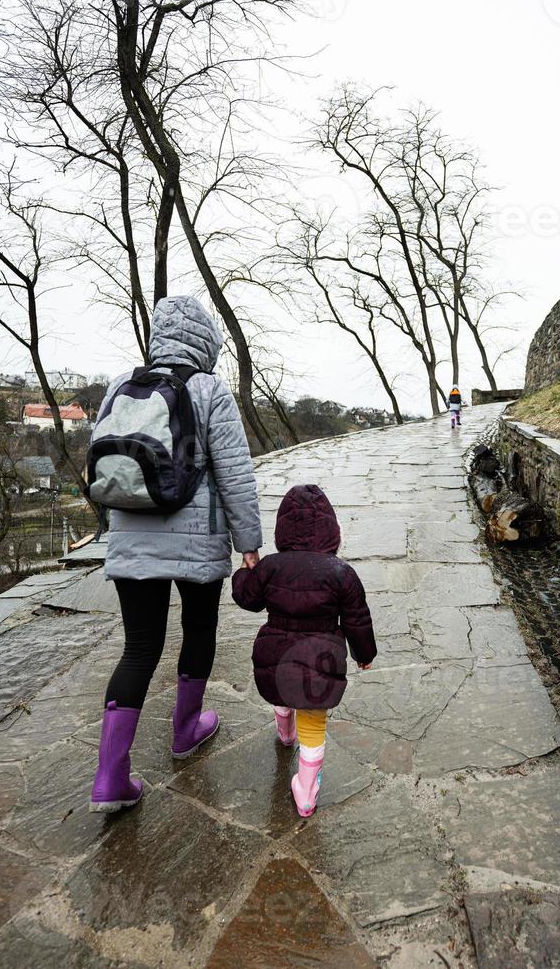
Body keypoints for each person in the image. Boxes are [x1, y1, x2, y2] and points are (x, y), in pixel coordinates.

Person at [89, 296, 262, 814]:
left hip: (132, 535)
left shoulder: (121, 384)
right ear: (206, 340)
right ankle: (186, 730)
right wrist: (248, 542)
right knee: (199, 631)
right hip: (197, 541)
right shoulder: (209, 389)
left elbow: (105, 463)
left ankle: (109, 779)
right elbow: (234, 473)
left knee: (139, 648)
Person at [231, 484, 375, 818]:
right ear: (332, 531)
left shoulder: (270, 567)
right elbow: (357, 619)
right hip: (320, 660)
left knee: (284, 692)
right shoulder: (341, 573)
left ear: (283, 529)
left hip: (275, 654)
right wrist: (363, 653)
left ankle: (284, 734)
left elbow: (247, 598)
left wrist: (243, 571)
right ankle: (306, 792)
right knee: (313, 720)